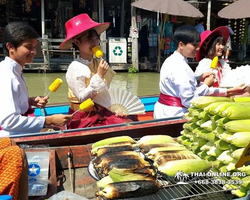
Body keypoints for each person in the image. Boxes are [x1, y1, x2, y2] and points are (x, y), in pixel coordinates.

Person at [59, 14, 137, 129]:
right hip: (84, 117)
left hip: (101, 110)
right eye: (89, 39)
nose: (95, 43)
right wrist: (99, 75)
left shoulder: (97, 62)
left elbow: (105, 92)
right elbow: (82, 98)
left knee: (132, 117)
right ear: (77, 42)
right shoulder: (74, 67)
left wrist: (114, 108)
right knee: (125, 125)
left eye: (96, 38)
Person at [153, 25, 246, 119]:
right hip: (175, 113)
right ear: (181, 45)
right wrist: (205, 85)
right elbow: (189, 101)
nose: (198, 49)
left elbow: (181, 85)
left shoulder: (171, 60)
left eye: (198, 45)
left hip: (163, 110)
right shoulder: (181, 67)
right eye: (195, 45)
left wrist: (198, 79)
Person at [0, 21, 72, 136]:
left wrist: (29, 101)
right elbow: (8, 121)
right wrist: (49, 120)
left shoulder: (16, 70)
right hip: (8, 136)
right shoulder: (6, 75)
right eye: (28, 47)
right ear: (10, 47)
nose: (33, 52)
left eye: (34, 47)